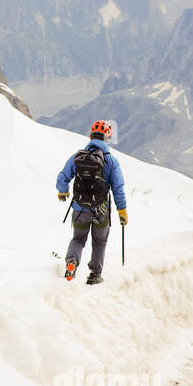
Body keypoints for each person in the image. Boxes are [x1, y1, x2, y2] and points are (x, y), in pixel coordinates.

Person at [56, 119, 128, 285]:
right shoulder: (111, 161)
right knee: (100, 242)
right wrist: (122, 211)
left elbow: (62, 177)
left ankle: (71, 264)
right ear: (107, 138)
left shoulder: (78, 157)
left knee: (78, 239)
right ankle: (95, 275)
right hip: (101, 211)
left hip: (79, 209)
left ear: (91, 136)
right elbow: (118, 188)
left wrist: (63, 191)